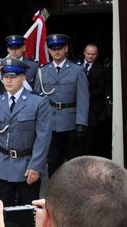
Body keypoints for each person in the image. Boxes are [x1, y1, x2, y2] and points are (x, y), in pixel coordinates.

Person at [0, 58, 52, 207]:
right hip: (2, 166)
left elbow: (43, 137)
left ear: (23, 78)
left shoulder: (38, 102)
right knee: (5, 216)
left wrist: (36, 166)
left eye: (13, 77)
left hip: (27, 168)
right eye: (5, 76)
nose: (8, 80)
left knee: (29, 217)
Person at [36, 33, 89, 176]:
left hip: (71, 122)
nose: (56, 51)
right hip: (50, 123)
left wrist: (81, 122)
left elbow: (83, 98)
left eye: (60, 48)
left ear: (66, 49)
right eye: (53, 49)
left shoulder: (77, 70)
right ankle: (55, 192)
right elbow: (37, 99)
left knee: (75, 162)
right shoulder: (42, 71)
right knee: (53, 161)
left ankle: (75, 191)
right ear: (48, 50)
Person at [0, 35, 38, 100]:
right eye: (11, 48)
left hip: (27, 100)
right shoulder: (0, 63)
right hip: (6, 100)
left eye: (17, 48)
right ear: (7, 49)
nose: (14, 51)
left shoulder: (33, 65)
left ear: (24, 48)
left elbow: (37, 87)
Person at [80, 43, 111, 157]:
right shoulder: (76, 66)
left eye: (93, 54)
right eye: (88, 54)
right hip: (77, 107)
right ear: (84, 53)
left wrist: (84, 96)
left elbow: (101, 89)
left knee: (92, 137)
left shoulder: (101, 69)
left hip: (94, 109)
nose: (90, 56)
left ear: (97, 55)